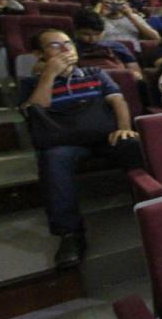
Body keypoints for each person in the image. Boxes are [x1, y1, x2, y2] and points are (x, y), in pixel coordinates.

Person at [19, 29, 141, 267]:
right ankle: (70, 234)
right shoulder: (31, 83)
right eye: (56, 45)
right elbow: (36, 111)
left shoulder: (95, 73)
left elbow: (118, 101)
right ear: (38, 54)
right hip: (63, 141)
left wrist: (124, 127)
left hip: (103, 134)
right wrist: (50, 75)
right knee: (52, 159)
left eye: (68, 44)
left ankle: (151, 204)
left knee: (133, 143)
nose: (66, 49)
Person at [69, 10, 142, 79]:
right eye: (86, 34)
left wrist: (135, 75)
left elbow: (136, 72)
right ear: (76, 31)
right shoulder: (70, 48)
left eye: (97, 34)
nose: (92, 38)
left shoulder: (117, 46)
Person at [95, 0, 159, 42]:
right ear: (101, 1)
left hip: (131, 52)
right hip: (106, 52)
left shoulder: (134, 17)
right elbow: (91, 40)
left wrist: (130, 16)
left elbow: (155, 37)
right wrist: (101, 16)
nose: (114, 2)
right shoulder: (96, 18)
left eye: (119, 0)